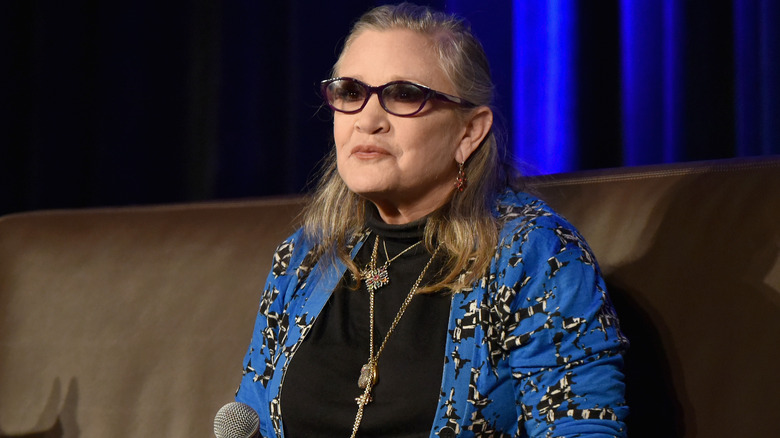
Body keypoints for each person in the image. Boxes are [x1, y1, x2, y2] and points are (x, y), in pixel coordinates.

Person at [234, 3, 628, 437]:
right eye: (350, 91)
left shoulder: (536, 258)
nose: (367, 120)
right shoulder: (305, 257)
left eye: (404, 94)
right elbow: (250, 419)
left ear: (469, 132)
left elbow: (579, 429)